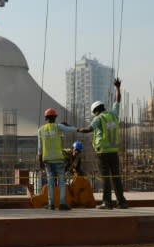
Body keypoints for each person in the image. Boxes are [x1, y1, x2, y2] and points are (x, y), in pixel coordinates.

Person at [77, 78, 128, 209]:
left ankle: (107, 202)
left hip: (102, 153)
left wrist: (76, 129)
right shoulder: (113, 115)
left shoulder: (98, 118)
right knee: (116, 177)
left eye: (94, 113)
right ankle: (122, 202)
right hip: (114, 152)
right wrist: (117, 88)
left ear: (96, 111)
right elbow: (118, 100)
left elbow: (89, 129)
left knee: (105, 178)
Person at [37, 107, 77, 210]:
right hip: (58, 159)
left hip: (47, 160)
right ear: (55, 117)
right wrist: (78, 129)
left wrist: (40, 161)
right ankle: (62, 204)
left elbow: (39, 148)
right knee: (62, 182)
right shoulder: (58, 127)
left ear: (46, 118)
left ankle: (51, 204)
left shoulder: (41, 130)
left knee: (50, 182)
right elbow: (70, 130)